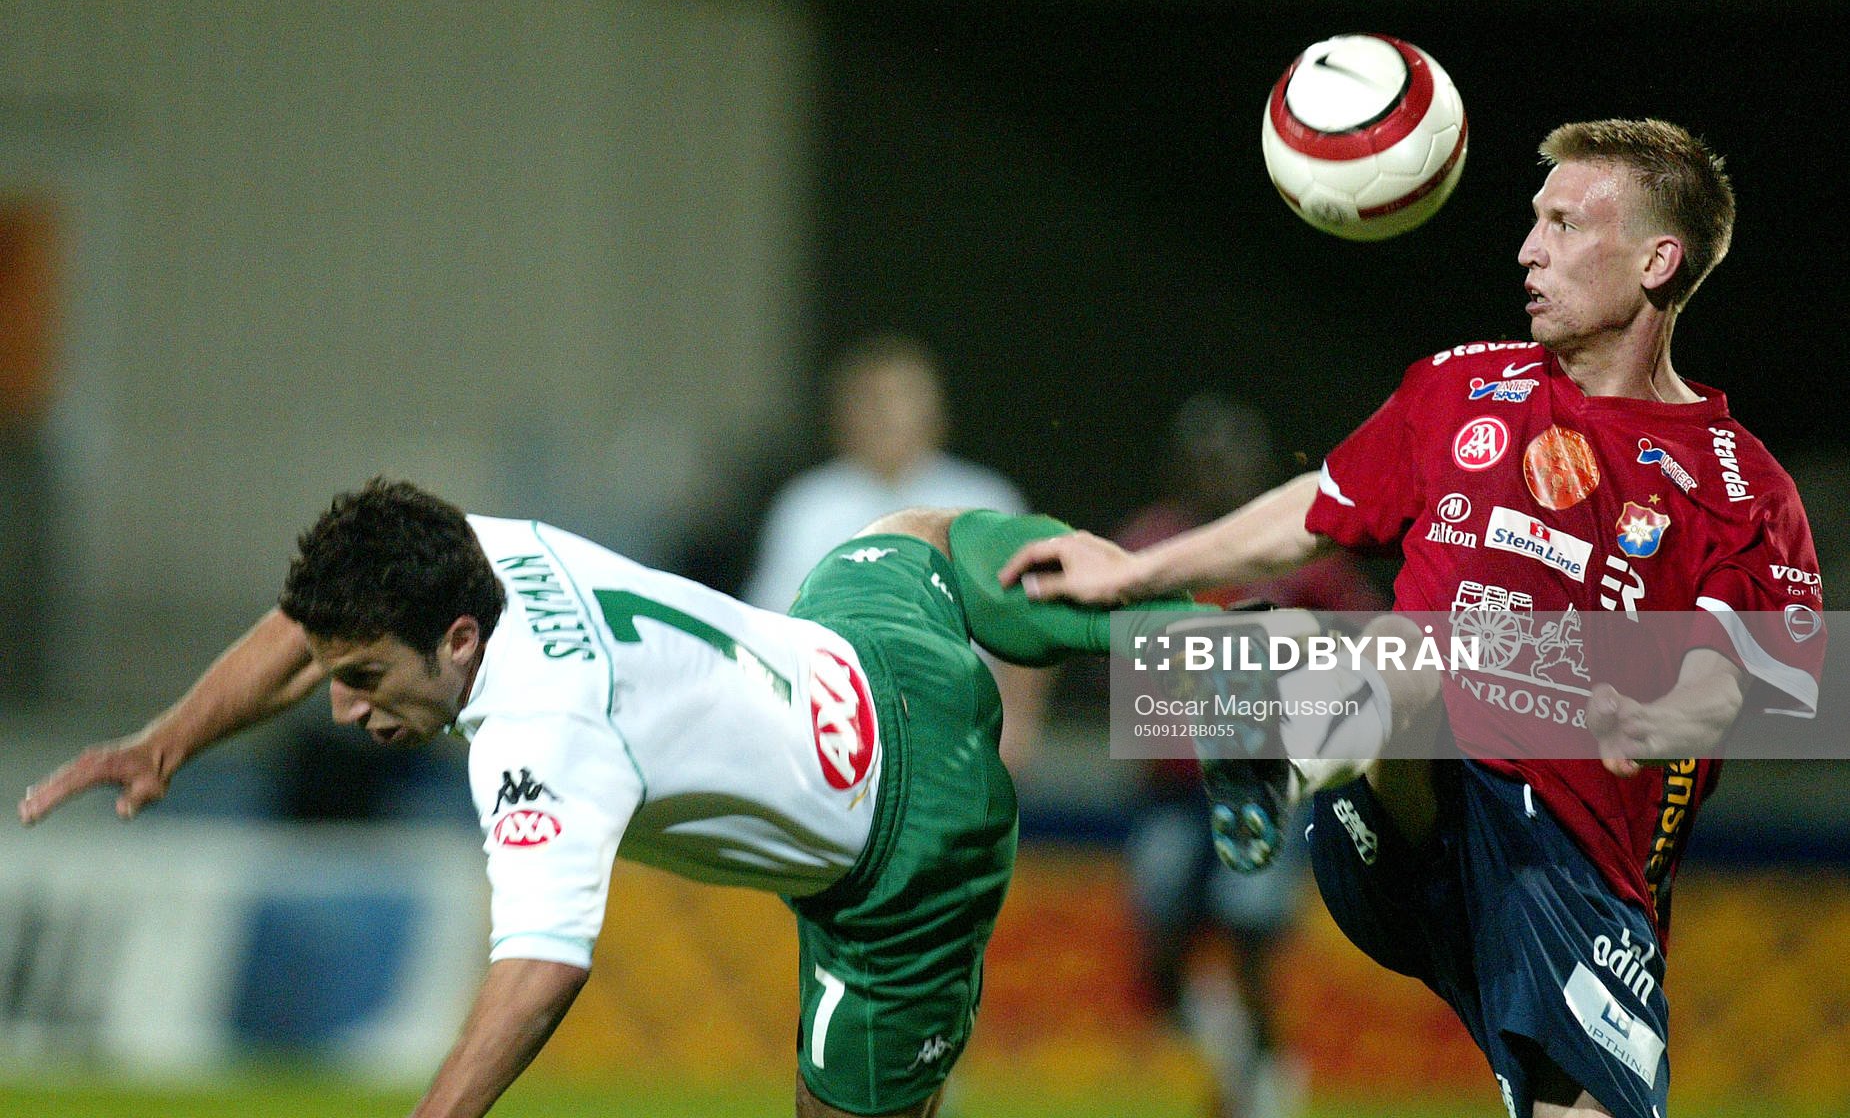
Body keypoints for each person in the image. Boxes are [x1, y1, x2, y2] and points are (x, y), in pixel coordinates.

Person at [1000, 120, 1827, 1118]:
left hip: (1573, 868)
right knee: (1411, 646)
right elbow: (1315, 506)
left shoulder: (1740, 485)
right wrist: (1132, 571)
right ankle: (1276, 744)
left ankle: (1274, 703)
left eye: (1563, 225)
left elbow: (1762, 679)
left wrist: (1667, 714)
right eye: (1532, 222)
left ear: (1657, 258)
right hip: (1411, 808)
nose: (1527, 249)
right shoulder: (1457, 384)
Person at [17, 481, 1167, 1118]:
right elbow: (301, 628)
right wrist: (170, 740)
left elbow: (541, 969)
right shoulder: (472, 552)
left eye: (364, 679)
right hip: (870, 648)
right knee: (909, 533)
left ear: (455, 641)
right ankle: (1271, 694)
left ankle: (1254, 710)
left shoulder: (537, 733)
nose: (342, 705)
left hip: (905, 860)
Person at [1115, 393, 1381, 1118]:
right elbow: (1117, 657)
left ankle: (1265, 1090)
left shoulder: (1296, 545)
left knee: (1250, 934)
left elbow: (1367, 637)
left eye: (1230, 460)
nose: (1216, 475)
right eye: (1202, 461)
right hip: (1173, 788)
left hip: (1268, 780)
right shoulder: (1151, 544)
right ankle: (1231, 1049)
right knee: (1159, 941)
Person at [746, 333, 1049, 770]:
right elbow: (771, 623)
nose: (885, 416)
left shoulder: (984, 500)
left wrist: (1020, 724)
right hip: (835, 727)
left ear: (935, 410)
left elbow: (1028, 620)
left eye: (901, 399)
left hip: (958, 725)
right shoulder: (809, 505)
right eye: (870, 401)